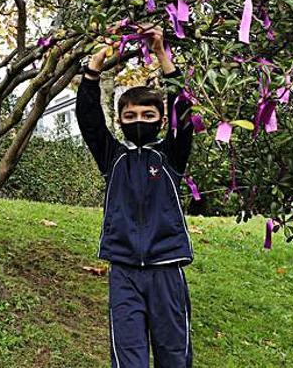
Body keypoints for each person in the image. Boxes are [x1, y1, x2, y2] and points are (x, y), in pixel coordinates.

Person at [75, 26, 194, 368]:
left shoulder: (170, 155)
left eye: (147, 115)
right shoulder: (114, 157)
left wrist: (162, 55)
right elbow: (89, 118)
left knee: (174, 356)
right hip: (124, 271)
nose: (138, 121)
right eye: (130, 116)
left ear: (160, 119)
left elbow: (183, 114)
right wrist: (94, 67)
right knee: (129, 359)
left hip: (167, 269)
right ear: (120, 120)